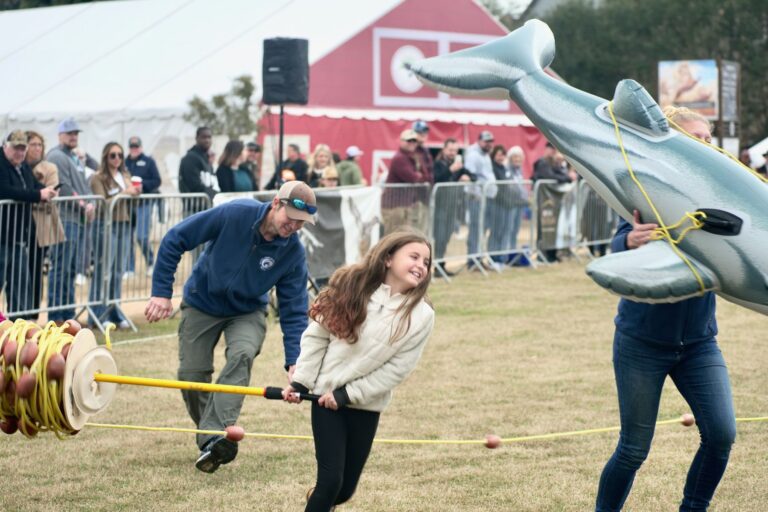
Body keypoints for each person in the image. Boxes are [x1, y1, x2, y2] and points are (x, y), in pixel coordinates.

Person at [595, 106, 736, 512]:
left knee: (722, 434)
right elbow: (620, 240)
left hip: (699, 343)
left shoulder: (722, 190)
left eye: (708, 138)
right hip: (642, 342)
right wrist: (629, 242)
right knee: (634, 449)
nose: (705, 145)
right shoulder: (647, 187)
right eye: (696, 137)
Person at [144, 181, 318, 473]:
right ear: (276, 203)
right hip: (202, 301)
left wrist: (294, 361)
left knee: (242, 354)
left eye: (301, 223)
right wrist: (162, 291)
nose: (294, 226)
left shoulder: (293, 254)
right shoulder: (235, 213)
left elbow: (294, 309)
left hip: (248, 311)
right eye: (291, 218)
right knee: (191, 375)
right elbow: (176, 238)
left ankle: (215, 436)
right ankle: (212, 437)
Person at [282, 230, 435, 512]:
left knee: (343, 490)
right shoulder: (351, 288)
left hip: (365, 404)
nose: (421, 266)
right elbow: (317, 337)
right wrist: (302, 383)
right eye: (414, 257)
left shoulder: (422, 315)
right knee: (330, 482)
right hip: (325, 400)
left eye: (426, 262)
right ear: (388, 258)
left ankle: (319, 500)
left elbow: (398, 369)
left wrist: (348, 394)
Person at [0, 130, 58, 319]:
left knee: (21, 285)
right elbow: (6, 190)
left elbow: (32, 185)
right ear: (5, 146)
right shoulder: (1, 163)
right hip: (2, 235)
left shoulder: (22, 165)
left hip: (18, 236)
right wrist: (37, 196)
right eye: (16, 148)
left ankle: (20, 328)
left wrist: (46, 191)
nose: (20, 152)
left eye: (23, 148)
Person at [46, 118, 96, 323]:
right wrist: (84, 204)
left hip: (76, 220)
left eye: (76, 133)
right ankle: (57, 315)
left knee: (70, 270)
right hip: (65, 218)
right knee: (61, 268)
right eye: (69, 133)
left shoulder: (73, 156)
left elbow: (89, 173)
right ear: (60, 135)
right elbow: (63, 186)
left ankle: (67, 314)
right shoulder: (57, 155)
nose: (73, 136)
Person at [89, 142, 139, 329]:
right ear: (105, 157)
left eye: (119, 155)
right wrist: (124, 193)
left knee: (118, 271)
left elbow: (131, 200)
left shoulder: (125, 175)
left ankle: (115, 311)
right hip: (105, 225)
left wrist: (135, 194)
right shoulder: (97, 177)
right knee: (104, 271)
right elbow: (103, 203)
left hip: (124, 225)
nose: (117, 158)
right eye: (112, 155)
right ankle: (98, 313)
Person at [26, 131, 65, 316]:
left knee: (35, 272)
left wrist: (38, 195)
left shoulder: (49, 167)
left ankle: (32, 314)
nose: (37, 148)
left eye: (39, 145)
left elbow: (52, 192)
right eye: (33, 144)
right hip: (18, 225)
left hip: (40, 226)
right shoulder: (16, 167)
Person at [432, 138, 472, 276]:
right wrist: (451, 170)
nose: (452, 153)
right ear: (444, 149)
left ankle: (442, 265)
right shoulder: (439, 163)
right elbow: (437, 178)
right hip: (440, 207)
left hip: (452, 207)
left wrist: (467, 176)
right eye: (450, 150)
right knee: (440, 237)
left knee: (447, 236)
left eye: (455, 150)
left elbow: (472, 175)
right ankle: (437, 266)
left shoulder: (458, 165)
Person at [381, 129, 433, 235]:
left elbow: (426, 175)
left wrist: (422, 176)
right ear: (401, 141)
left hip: (404, 204)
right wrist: (422, 177)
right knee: (392, 237)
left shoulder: (413, 157)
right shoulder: (400, 158)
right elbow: (414, 178)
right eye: (409, 141)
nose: (412, 143)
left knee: (402, 237)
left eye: (414, 141)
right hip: (394, 206)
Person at [125, 136, 162, 278]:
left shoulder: (148, 161)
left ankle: (151, 262)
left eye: (136, 146)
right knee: (127, 237)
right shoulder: (124, 162)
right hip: (127, 204)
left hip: (144, 203)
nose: (134, 149)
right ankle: (129, 268)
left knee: (141, 236)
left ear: (140, 147)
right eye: (132, 146)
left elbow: (157, 180)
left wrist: (143, 186)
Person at [463, 130, 497, 270]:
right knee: (476, 229)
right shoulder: (473, 155)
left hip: (486, 198)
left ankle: (478, 257)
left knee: (482, 229)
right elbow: (470, 176)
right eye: (486, 141)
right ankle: (472, 260)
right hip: (476, 198)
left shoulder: (486, 155)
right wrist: (475, 195)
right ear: (479, 141)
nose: (489, 144)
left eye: (490, 141)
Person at [489, 145, 527, 267]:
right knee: (503, 231)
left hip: (517, 204)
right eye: (515, 156)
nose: (517, 159)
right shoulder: (507, 169)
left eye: (519, 157)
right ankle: (500, 256)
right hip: (505, 204)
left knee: (513, 231)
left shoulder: (519, 170)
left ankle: (510, 255)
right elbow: (508, 187)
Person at [179, 127, 219, 200]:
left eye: (209, 137)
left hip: (208, 204)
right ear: (197, 138)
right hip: (195, 206)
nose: (207, 140)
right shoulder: (190, 158)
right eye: (204, 137)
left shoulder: (207, 158)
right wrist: (215, 195)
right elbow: (194, 185)